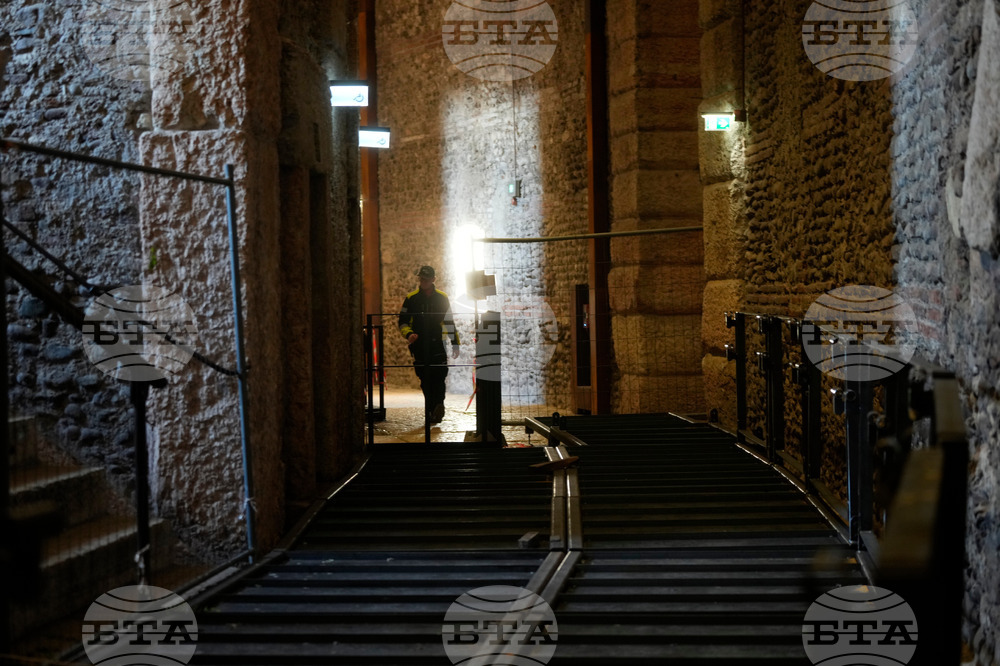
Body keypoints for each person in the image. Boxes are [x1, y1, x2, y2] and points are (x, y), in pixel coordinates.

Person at [399, 265, 460, 424]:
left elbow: (449, 321)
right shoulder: (412, 298)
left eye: (426, 279)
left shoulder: (442, 298)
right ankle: (431, 409)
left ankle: (438, 406)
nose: (423, 281)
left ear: (433, 279)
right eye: (421, 279)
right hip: (419, 345)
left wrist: (455, 343)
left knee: (439, 377)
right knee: (425, 379)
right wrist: (409, 334)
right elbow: (402, 321)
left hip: (437, 344)